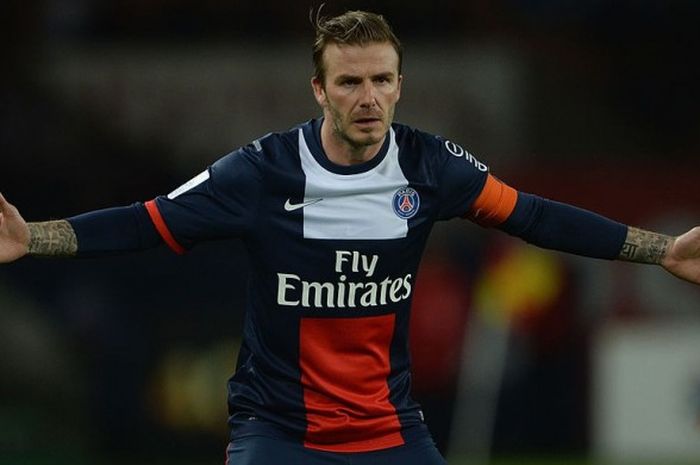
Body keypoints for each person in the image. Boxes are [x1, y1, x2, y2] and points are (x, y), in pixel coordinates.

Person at [1, 8, 700, 465]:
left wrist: (659, 249)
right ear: (318, 89)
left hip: (389, 430)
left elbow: (535, 216)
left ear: (399, 85)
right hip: (278, 433)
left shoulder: (432, 166)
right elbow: (145, 222)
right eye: (350, 82)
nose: (368, 97)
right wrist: (34, 237)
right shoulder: (260, 171)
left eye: (382, 80)